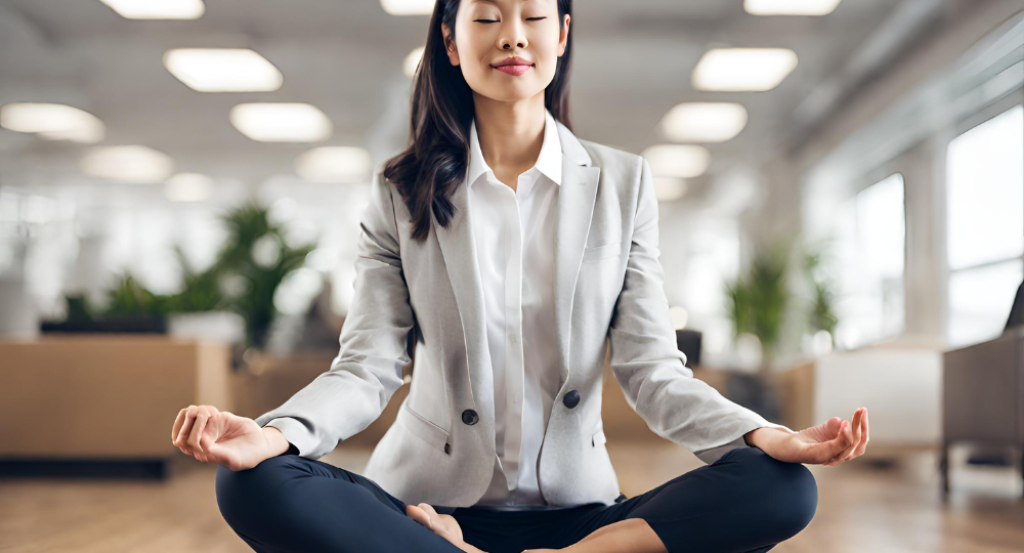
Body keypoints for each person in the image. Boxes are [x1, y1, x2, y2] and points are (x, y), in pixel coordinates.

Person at [170, 1, 870, 552]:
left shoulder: (623, 185)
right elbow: (366, 368)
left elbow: (654, 372)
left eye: (534, 17)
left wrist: (762, 435)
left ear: (561, 35)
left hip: (580, 519)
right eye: (487, 17)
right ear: (449, 40)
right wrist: (278, 433)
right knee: (250, 486)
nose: (512, 35)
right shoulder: (400, 190)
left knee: (784, 488)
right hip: (424, 513)